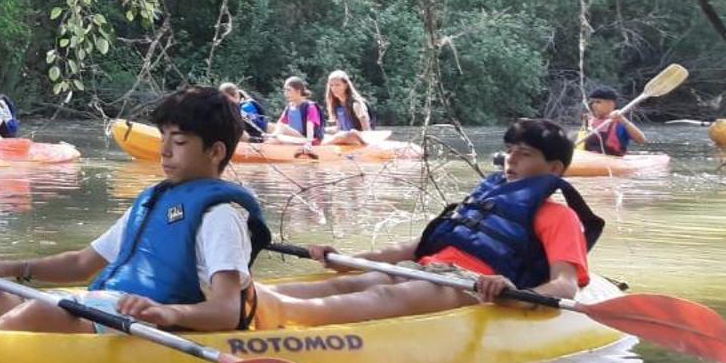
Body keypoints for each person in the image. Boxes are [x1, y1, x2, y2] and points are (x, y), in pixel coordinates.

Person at [0, 86, 270, 332]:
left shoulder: (221, 217)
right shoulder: (156, 200)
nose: (164, 150)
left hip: (148, 323)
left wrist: (166, 312)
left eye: (178, 142)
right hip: (108, 307)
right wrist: (10, 268)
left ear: (215, 151)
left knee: (39, 313)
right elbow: (81, 263)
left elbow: (225, 310)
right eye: (164, 137)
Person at [248, 117, 602, 328]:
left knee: (390, 292)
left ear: (554, 169)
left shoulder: (559, 216)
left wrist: (514, 295)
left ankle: (286, 312)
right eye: (509, 151)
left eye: (524, 155)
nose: (511, 161)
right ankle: (253, 298)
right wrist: (346, 259)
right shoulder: (488, 199)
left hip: (469, 284)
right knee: (364, 280)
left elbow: (565, 285)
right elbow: (417, 248)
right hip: (425, 267)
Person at [581, 85, 646, 156]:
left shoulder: (620, 123)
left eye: (598, 102)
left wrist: (623, 120)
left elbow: (641, 140)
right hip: (588, 161)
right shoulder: (589, 121)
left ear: (611, 104)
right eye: (592, 102)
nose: (593, 105)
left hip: (612, 162)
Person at [269, 75, 325, 144]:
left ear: (298, 91)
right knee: (269, 126)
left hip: (309, 140)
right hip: (296, 138)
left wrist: (308, 143)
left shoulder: (310, 107)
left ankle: (266, 145)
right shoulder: (289, 107)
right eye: (285, 90)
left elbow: (310, 128)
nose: (285, 94)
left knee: (282, 129)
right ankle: (265, 145)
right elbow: (279, 124)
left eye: (288, 90)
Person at [323, 70, 373, 145]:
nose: (334, 88)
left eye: (337, 85)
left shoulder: (356, 104)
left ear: (346, 85)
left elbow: (367, 129)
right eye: (332, 85)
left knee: (349, 133)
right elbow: (339, 128)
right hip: (343, 139)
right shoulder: (336, 105)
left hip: (357, 139)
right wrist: (322, 129)